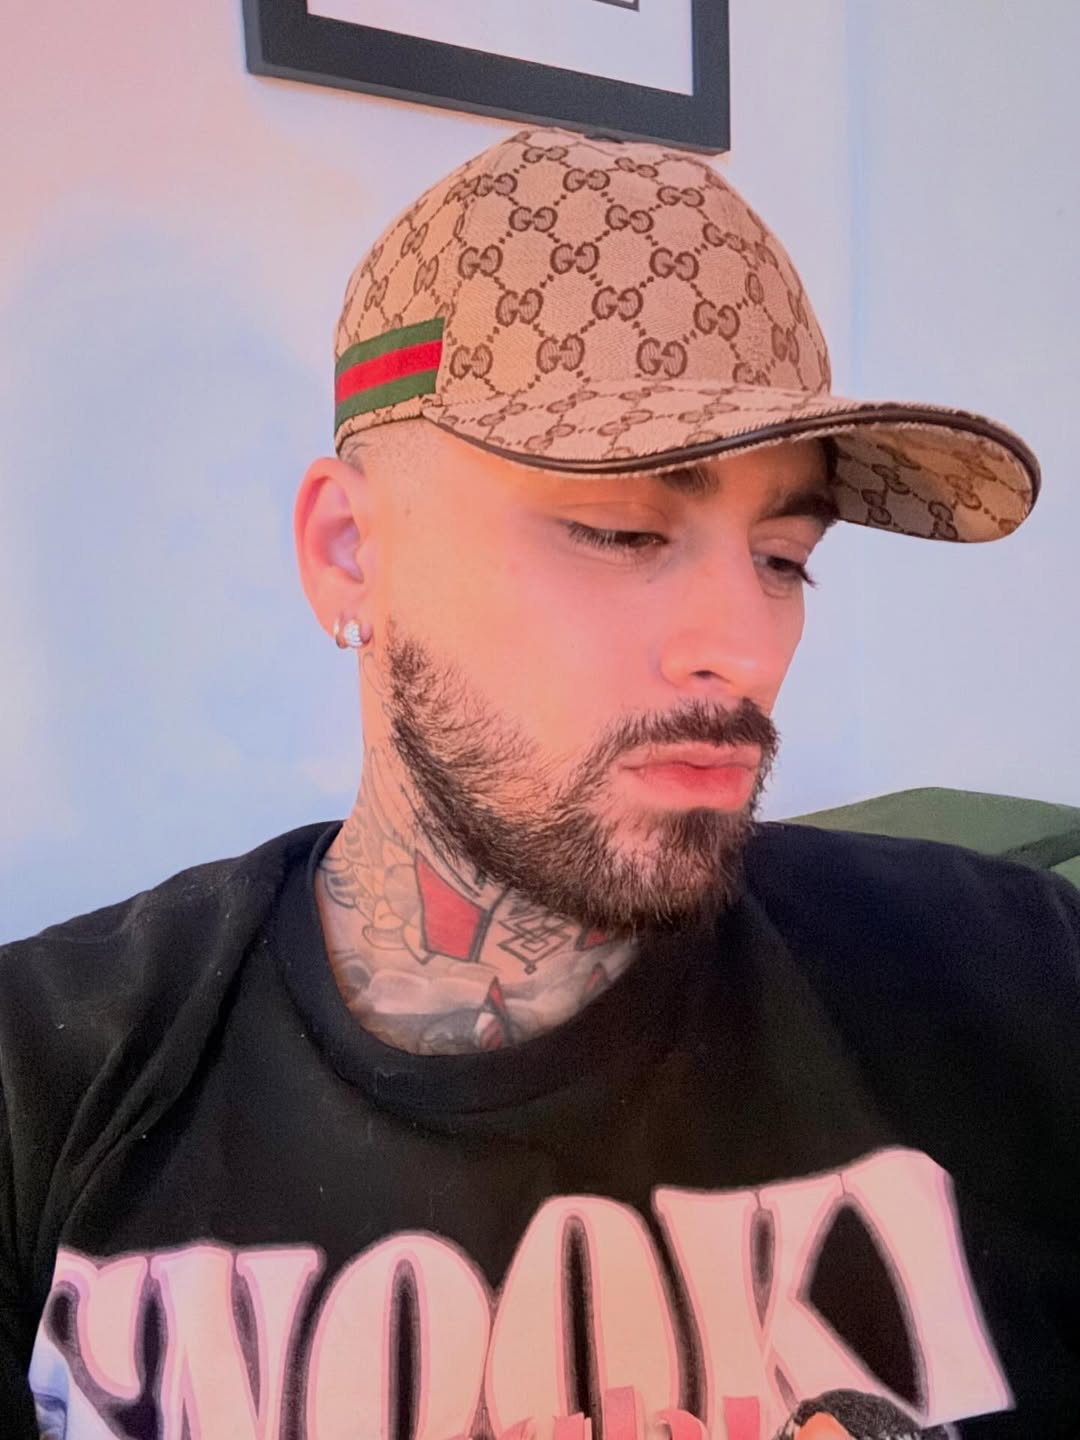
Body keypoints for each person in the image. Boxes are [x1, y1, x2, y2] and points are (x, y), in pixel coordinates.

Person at [2, 125, 1077, 1440]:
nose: (743, 647)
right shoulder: (45, 1081)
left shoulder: (1015, 982)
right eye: (622, 531)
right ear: (348, 552)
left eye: (784, 557)